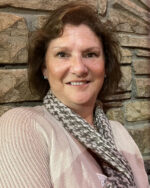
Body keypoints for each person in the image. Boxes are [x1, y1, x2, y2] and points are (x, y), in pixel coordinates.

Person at [0, 1, 149, 188]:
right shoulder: (23, 126)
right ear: (44, 68)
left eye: (90, 54)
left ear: (105, 67)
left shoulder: (119, 132)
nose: (79, 68)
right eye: (62, 54)